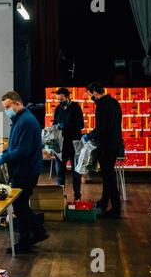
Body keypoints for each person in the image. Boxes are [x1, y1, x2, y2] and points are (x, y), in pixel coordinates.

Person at [0, 91, 49, 253]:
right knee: (21, 205)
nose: (6, 111)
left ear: (17, 104)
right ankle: (29, 237)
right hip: (23, 169)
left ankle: (34, 235)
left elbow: (24, 150)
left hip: (26, 171)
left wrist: (3, 157)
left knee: (20, 206)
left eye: (8, 107)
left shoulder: (26, 121)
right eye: (5, 108)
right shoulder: (20, 119)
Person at [83, 82, 124, 219]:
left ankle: (116, 209)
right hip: (115, 144)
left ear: (95, 92)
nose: (91, 98)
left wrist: (89, 136)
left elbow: (102, 128)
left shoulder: (101, 105)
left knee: (109, 178)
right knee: (107, 176)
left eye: (90, 95)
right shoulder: (114, 102)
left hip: (106, 146)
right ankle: (103, 203)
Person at [53, 88, 84, 200]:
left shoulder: (76, 108)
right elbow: (55, 125)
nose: (60, 102)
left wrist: (66, 126)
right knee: (60, 172)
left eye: (62, 99)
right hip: (61, 145)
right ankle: (60, 196)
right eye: (58, 100)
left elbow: (81, 125)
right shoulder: (57, 109)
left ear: (68, 97)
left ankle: (77, 196)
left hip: (75, 144)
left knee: (76, 172)